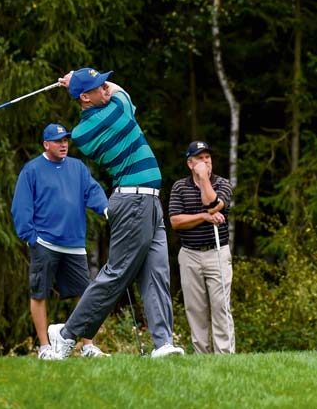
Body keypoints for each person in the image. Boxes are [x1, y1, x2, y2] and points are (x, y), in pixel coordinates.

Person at [48, 67, 185, 359]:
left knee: (157, 273)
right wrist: (76, 81)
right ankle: (66, 334)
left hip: (149, 203)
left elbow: (113, 92)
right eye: (97, 87)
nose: (104, 89)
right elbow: (121, 92)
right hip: (134, 202)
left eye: (102, 84)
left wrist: (79, 82)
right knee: (117, 274)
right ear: (85, 97)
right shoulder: (94, 125)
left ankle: (162, 344)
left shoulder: (99, 114)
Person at [11, 122, 110, 360]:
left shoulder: (77, 167)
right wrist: (30, 237)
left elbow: (93, 191)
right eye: (58, 141)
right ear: (46, 144)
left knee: (86, 294)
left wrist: (106, 209)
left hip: (74, 244)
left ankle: (88, 346)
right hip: (44, 243)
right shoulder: (32, 169)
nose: (63, 144)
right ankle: (45, 348)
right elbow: (21, 206)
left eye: (66, 140)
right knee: (39, 293)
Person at [168, 141, 235, 354]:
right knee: (195, 309)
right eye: (200, 158)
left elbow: (213, 204)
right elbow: (176, 221)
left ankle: (224, 356)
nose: (206, 161)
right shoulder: (180, 187)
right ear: (190, 164)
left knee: (221, 306)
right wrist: (204, 217)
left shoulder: (223, 183)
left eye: (208, 157)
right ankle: (202, 356)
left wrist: (204, 178)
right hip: (190, 254)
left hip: (217, 251)